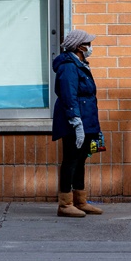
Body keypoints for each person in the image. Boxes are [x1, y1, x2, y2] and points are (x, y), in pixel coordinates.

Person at [52, 29, 104, 218]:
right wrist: (75, 121)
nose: (90, 47)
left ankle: (80, 201)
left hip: (86, 119)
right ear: (80, 46)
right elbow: (69, 95)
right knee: (71, 160)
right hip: (74, 121)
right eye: (88, 43)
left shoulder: (80, 64)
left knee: (80, 160)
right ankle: (65, 204)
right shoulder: (68, 66)